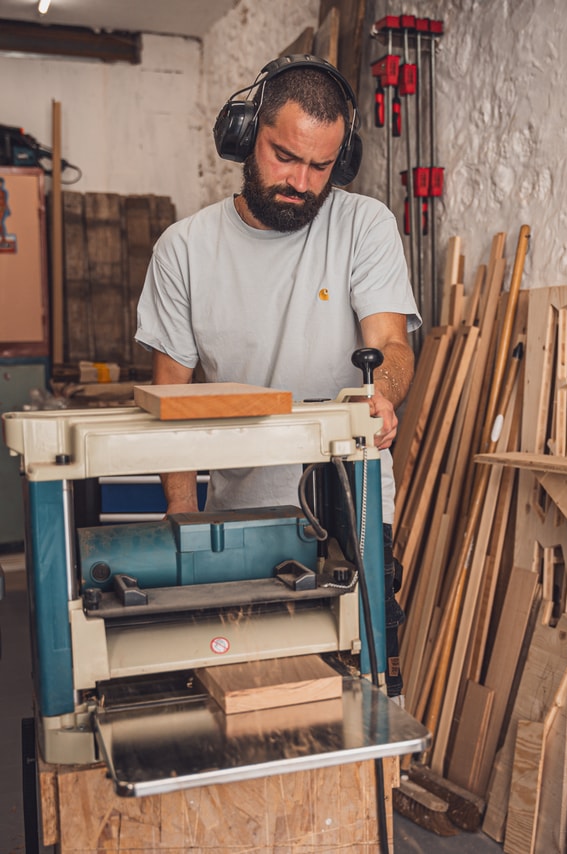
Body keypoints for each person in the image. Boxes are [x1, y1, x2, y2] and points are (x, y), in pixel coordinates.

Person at [135, 55, 421, 699]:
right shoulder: (184, 250)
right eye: (285, 156)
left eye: (321, 167)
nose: (301, 181)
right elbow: (170, 399)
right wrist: (183, 518)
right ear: (245, 135)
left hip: (354, 502)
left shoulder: (364, 225)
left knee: (364, 678)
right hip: (239, 516)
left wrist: (382, 394)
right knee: (247, 686)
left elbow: (391, 344)